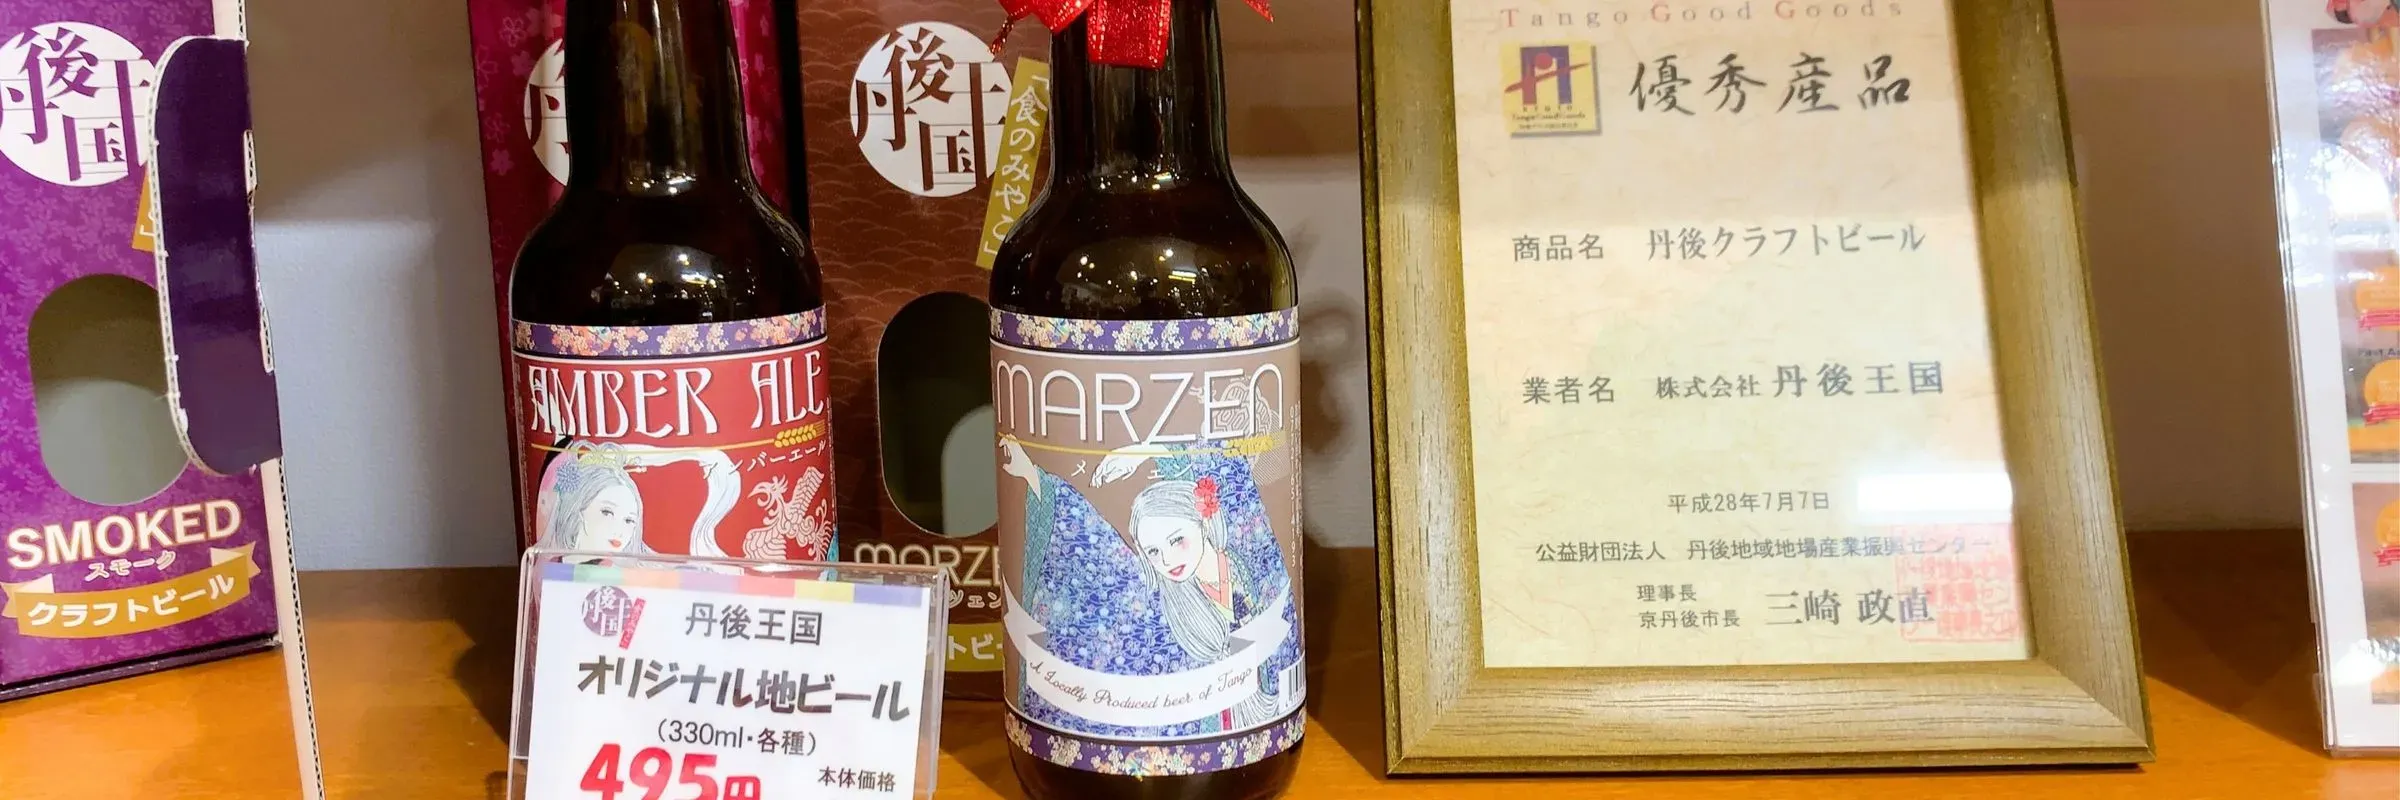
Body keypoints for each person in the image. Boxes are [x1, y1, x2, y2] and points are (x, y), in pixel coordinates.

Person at [1001, 436, 1300, 735]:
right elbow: (1100, 553)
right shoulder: (1161, 595)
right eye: (1153, 552)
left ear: (1203, 522)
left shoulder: (1244, 555)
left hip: (1262, 710)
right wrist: (1032, 476)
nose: (1168, 560)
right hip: (1207, 722)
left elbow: (1229, 463)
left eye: (1177, 540)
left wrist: (1147, 451)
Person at [534, 440, 737, 558]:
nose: (619, 530)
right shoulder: (552, 569)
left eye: (630, 520)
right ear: (579, 509)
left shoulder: (635, 575)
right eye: (607, 512)